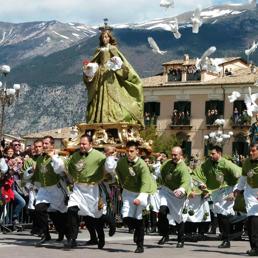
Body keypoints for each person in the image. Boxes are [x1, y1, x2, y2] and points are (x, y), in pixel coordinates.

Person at [83, 26, 144, 126]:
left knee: (113, 95)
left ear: (110, 38)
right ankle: (99, 117)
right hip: (100, 75)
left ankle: (112, 116)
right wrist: (90, 68)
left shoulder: (113, 49)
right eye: (103, 37)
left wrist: (116, 64)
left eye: (106, 37)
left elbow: (121, 62)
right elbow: (95, 63)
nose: (105, 39)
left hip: (111, 75)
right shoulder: (99, 49)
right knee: (99, 95)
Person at [193, 145, 241, 248]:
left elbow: (240, 175)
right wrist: (201, 184)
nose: (210, 155)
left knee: (223, 214)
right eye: (210, 153)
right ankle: (228, 234)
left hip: (227, 190)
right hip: (215, 192)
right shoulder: (207, 163)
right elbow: (196, 174)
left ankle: (227, 239)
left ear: (219, 154)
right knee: (219, 215)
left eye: (213, 153)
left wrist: (234, 192)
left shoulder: (227, 164)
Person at [64, 134, 107, 249]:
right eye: (81, 144)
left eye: (84, 144)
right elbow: (68, 167)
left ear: (91, 144)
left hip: (92, 189)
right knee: (71, 210)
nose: (82, 146)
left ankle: (100, 236)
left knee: (95, 216)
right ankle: (72, 239)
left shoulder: (99, 156)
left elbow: (108, 168)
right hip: (78, 188)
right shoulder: (74, 156)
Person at [115, 141, 157, 253]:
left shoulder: (142, 165)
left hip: (142, 192)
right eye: (127, 151)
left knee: (139, 218)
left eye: (131, 151)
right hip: (128, 191)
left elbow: (145, 183)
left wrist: (140, 198)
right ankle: (136, 230)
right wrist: (120, 188)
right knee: (126, 216)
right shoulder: (121, 162)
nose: (129, 153)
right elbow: (118, 174)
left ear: (137, 152)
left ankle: (140, 245)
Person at [29, 136, 68, 247]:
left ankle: (64, 233)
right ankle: (45, 235)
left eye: (46, 144)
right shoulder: (40, 158)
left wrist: (54, 157)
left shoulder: (58, 157)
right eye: (43, 144)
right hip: (44, 189)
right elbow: (37, 175)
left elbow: (60, 169)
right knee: (39, 209)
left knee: (58, 215)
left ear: (52, 145)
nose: (44, 146)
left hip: (56, 188)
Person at [157, 146, 191, 248]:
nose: (173, 156)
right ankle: (165, 235)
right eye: (172, 154)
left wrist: (181, 190)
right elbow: (160, 173)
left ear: (181, 155)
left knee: (178, 218)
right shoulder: (167, 163)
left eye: (175, 155)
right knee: (162, 211)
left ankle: (180, 239)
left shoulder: (183, 168)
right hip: (166, 191)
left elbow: (186, 181)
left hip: (177, 194)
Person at [234, 143, 258, 256]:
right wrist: (238, 189)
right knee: (252, 220)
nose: (251, 153)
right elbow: (243, 178)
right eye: (250, 151)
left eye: (253, 151)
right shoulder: (247, 162)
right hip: (251, 193)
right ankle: (254, 248)